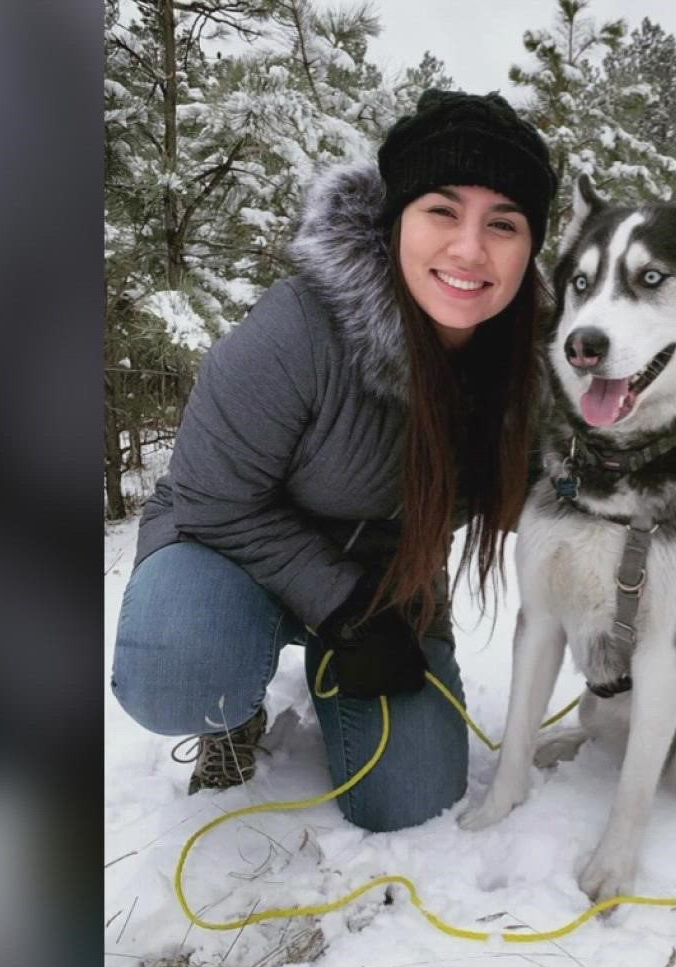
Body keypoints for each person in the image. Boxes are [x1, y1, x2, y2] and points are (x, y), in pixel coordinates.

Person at [111, 90, 557, 832]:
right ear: (395, 222)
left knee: (413, 799)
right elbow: (213, 501)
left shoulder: (525, 371)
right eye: (442, 211)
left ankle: (337, 675)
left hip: (388, 582)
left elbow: (543, 502)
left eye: (503, 224)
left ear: (529, 249)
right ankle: (232, 717)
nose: (470, 249)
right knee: (181, 672)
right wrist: (341, 606)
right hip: (231, 551)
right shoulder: (298, 328)